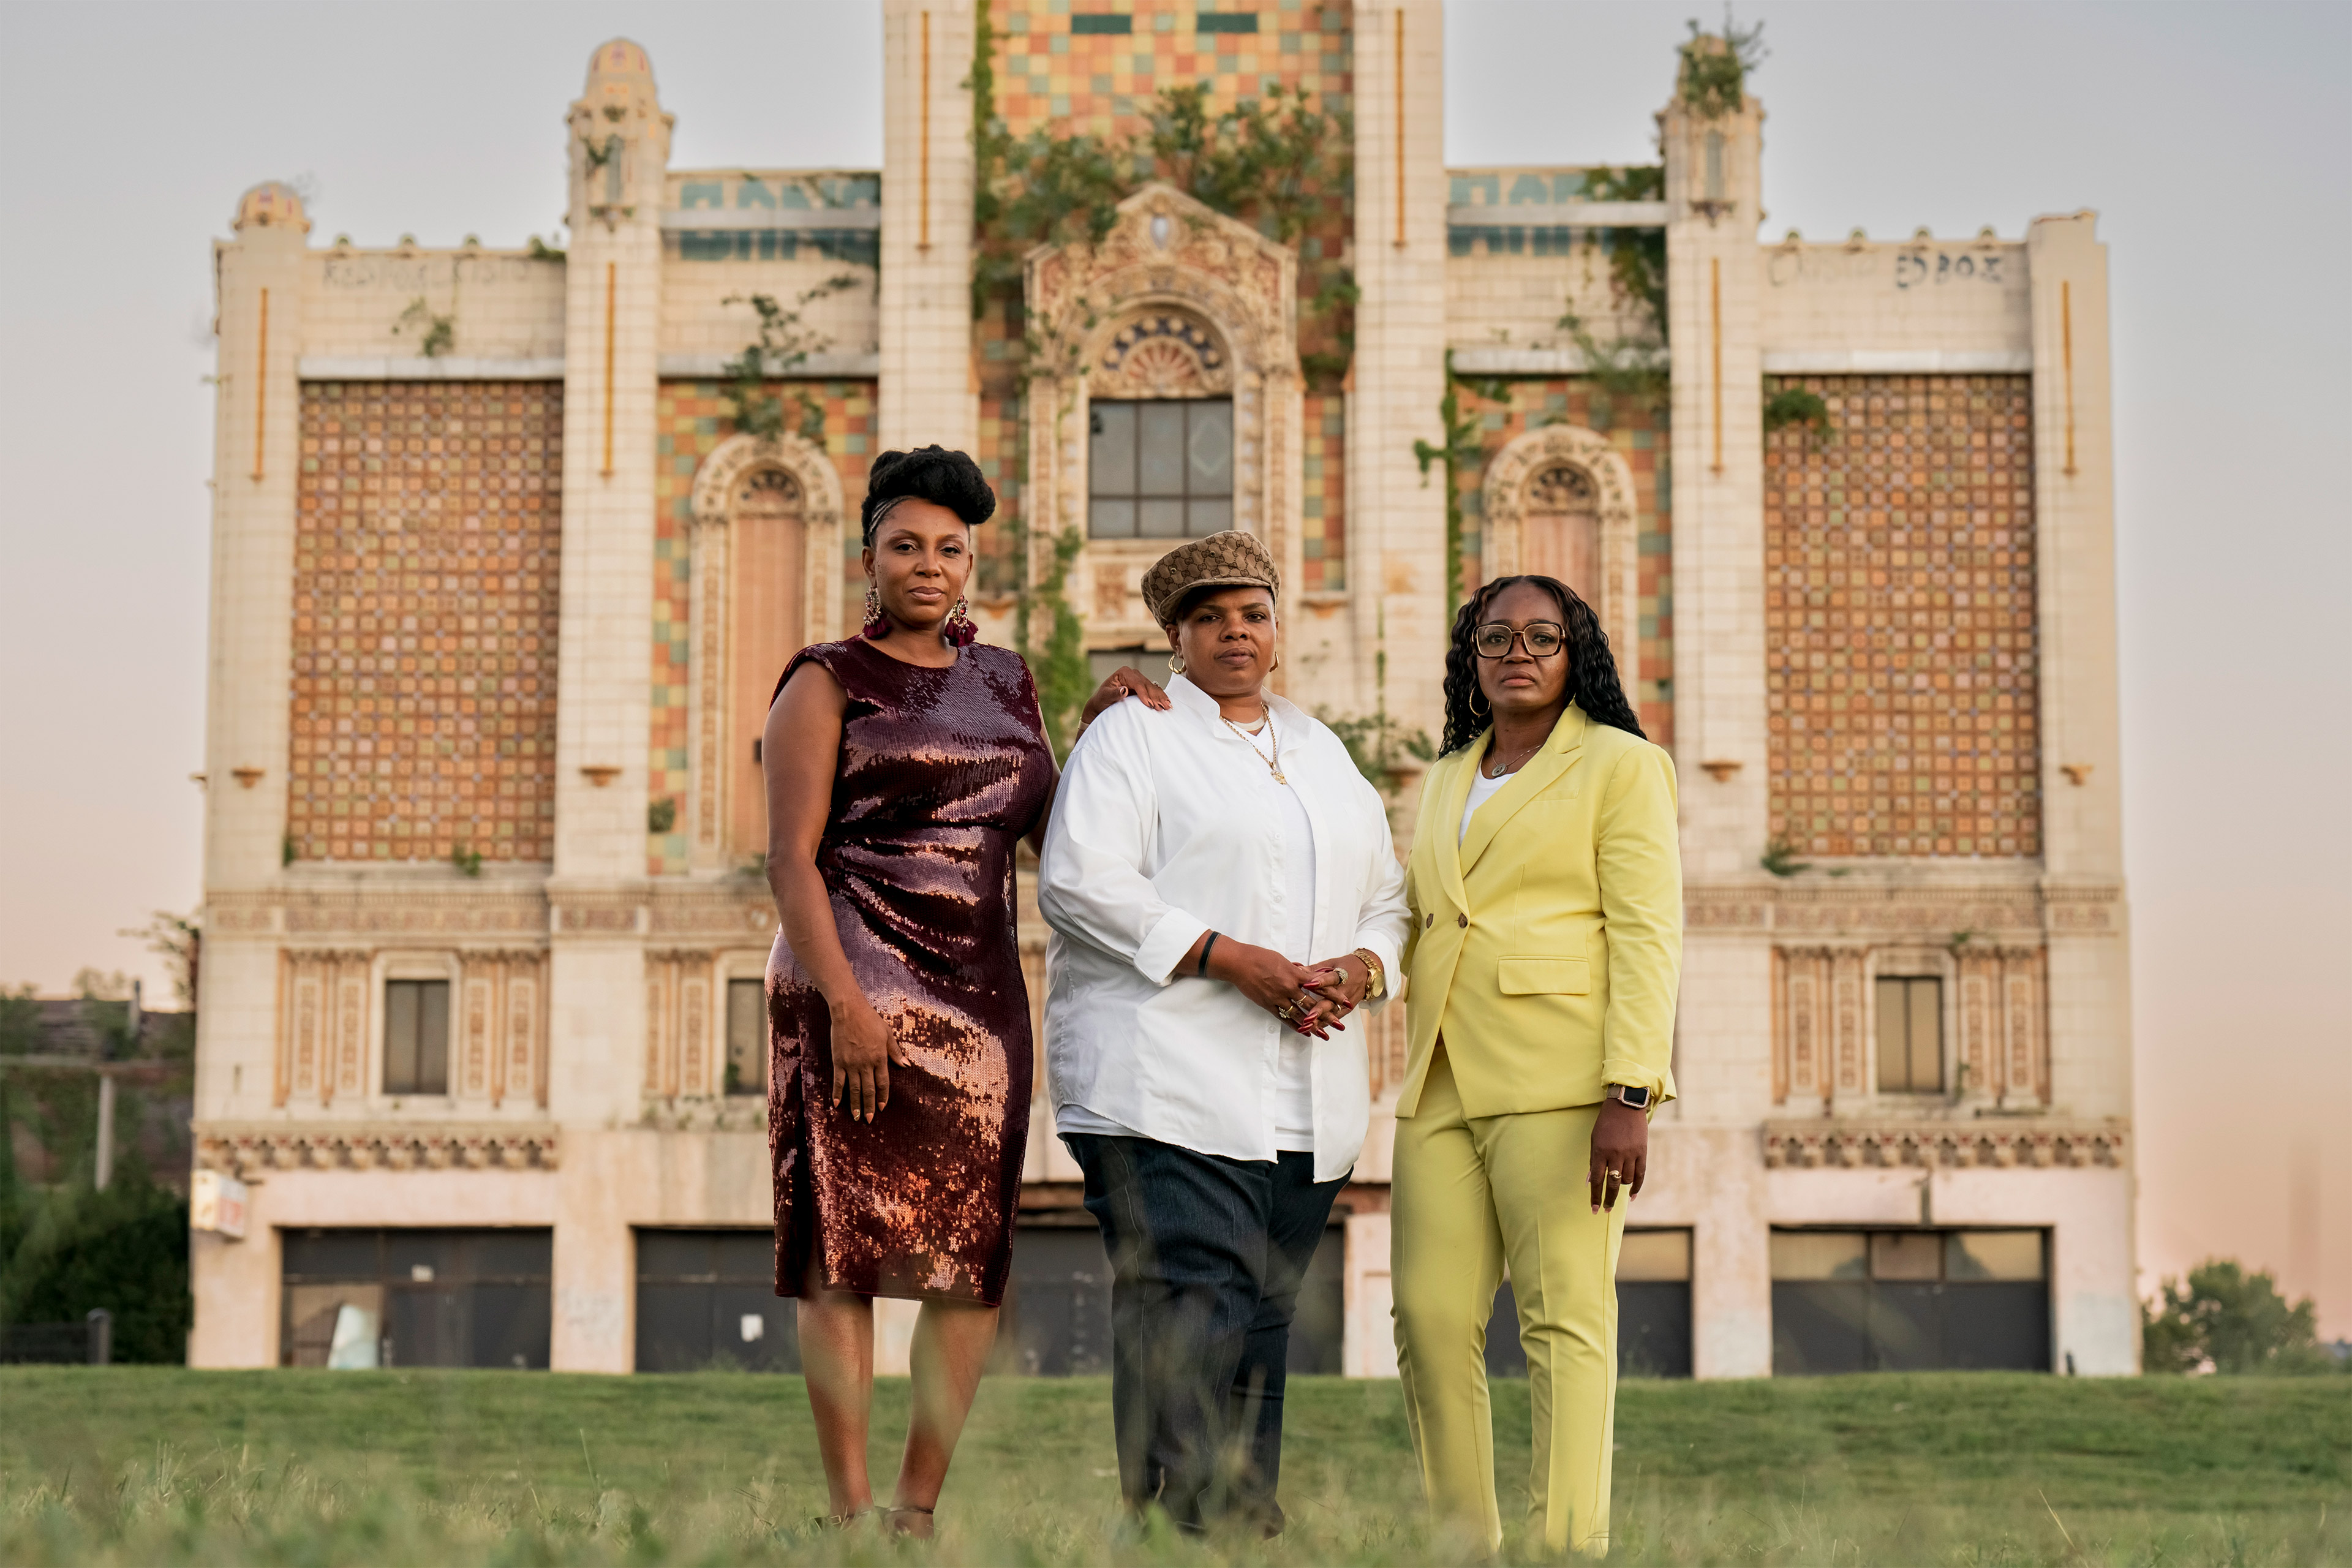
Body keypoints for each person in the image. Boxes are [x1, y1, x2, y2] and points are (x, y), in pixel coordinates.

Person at [762, 445, 1165, 1536]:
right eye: (906, 545)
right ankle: (848, 1513)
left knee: (968, 1262)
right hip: (850, 982)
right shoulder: (824, 677)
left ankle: (917, 1511)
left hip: (981, 1002)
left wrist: (1103, 730)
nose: (929, 565)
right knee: (840, 1254)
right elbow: (789, 860)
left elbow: (1045, 829)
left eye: (950, 548)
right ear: (869, 558)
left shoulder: (1007, 678)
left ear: (972, 561)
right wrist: (844, 1005)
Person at [1037, 529, 1412, 1535]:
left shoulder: (1324, 753)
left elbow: (1388, 896)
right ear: (1175, 636)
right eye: (1209, 618)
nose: (1234, 633)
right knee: (1191, 1303)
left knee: (1258, 1321)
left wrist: (1364, 968)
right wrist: (1224, 955)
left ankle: (1232, 1524)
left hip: (1304, 1102)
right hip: (1163, 1084)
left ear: (1279, 630)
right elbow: (1078, 884)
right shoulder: (1135, 735)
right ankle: (1179, 1525)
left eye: (1251, 614)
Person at [1389, 573, 1682, 1558]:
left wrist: (1631, 1091)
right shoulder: (1447, 774)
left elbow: (1648, 935)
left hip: (1565, 1082)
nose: (1517, 651)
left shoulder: (1622, 766)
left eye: (1541, 636)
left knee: (1565, 1327)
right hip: (1438, 1079)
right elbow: (1430, 913)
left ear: (1575, 654)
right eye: (1495, 637)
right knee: (1427, 1321)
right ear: (1470, 659)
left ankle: (1568, 1549)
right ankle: (1465, 1546)